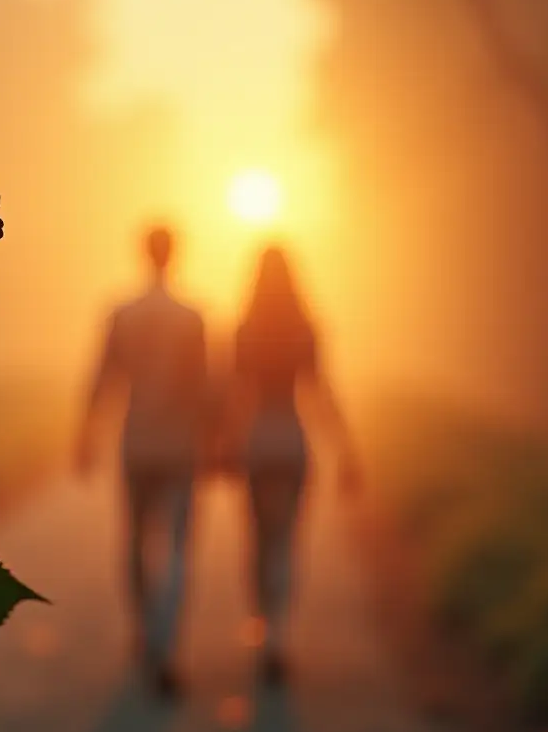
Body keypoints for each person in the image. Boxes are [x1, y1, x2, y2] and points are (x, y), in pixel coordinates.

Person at [76, 225, 207, 700]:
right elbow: (205, 386)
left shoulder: (123, 313)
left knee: (134, 538)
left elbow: (103, 376)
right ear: (175, 254)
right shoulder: (192, 317)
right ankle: (165, 644)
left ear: (143, 253)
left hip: (136, 441)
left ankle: (141, 629)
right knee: (175, 547)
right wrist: (215, 439)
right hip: (180, 444)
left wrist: (86, 435)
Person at [225, 244, 361, 684]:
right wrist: (347, 449)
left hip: (256, 441)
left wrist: (225, 443)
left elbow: (234, 395)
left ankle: (262, 626)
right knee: (286, 541)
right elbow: (322, 394)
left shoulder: (245, 330)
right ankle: (278, 637)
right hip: (292, 440)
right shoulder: (306, 329)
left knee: (258, 539)